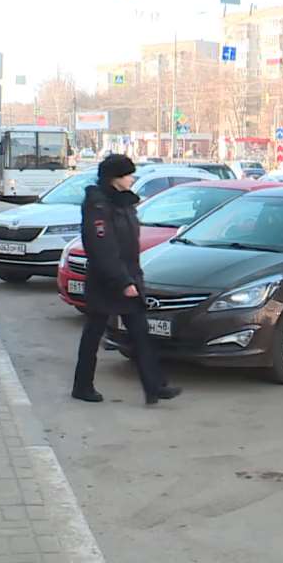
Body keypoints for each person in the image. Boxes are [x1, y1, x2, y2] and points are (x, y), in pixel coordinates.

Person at [72, 154, 181, 406]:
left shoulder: (125, 203)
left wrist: (133, 279)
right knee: (93, 334)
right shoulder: (97, 206)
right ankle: (82, 385)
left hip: (128, 278)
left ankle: (154, 387)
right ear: (114, 179)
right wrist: (123, 281)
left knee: (140, 334)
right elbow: (102, 249)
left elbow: (129, 247)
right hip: (107, 282)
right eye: (128, 174)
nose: (133, 178)